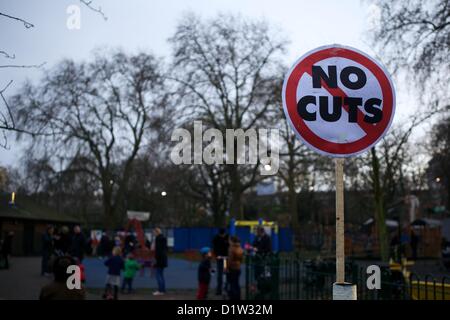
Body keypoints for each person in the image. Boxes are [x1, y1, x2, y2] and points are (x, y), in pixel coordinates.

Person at [212, 227, 229, 295]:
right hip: (220, 258)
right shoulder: (216, 238)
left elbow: (229, 246)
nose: (222, 236)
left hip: (226, 258)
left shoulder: (227, 238)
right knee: (219, 275)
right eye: (221, 235)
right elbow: (214, 247)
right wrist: (217, 255)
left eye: (223, 235)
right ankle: (219, 289)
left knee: (226, 273)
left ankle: (226, 288)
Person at [153, 228, 168, 296]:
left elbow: (158, 250)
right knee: (161, 275)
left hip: (159, 259)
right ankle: (163, 290)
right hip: (164, 258)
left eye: (154, 232)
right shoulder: (164, 238)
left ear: (157, 232)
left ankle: (160, 290)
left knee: (158, 275)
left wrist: (155, 259)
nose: (154, 234)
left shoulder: (158, 239)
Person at [228, 236, 243, 300]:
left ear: (232, 241)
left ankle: (233, 297)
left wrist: (227, 267)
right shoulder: (240, 248)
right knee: (236, 283)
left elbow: (230, 260)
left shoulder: (232, 248)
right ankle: (238, 297)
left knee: (232, 284)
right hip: (238, 267)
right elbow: (241, 259)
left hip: (232, 268)